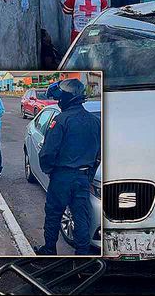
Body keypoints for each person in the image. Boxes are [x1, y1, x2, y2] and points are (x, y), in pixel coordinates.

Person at [34, 79, 101, 256]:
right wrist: (88, 174)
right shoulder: (95, 122)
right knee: (81, 217)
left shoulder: (61, 120)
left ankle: (49, 250)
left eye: (60, 98)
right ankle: (82, 257)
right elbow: (98, 154)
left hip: (62, 177)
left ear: (66, 98)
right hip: (83, 177)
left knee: (54, 213)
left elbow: (48, 153)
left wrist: (49, 170)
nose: (58, 101)